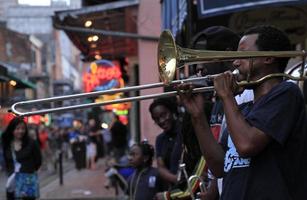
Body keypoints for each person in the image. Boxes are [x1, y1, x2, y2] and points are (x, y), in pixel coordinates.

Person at [178, 25, 307, 200]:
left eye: (242, 55)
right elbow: (219, 167)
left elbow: (247, 145)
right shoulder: (244, 110)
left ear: (268, 57)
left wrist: (226, 96)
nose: (235, 62)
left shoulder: (286, 93)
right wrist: (198, 116)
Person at [2, 117, 42, 200]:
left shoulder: (31, 143)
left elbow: (38, 161)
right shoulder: (7, 145)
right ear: (12, 130)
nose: (20, 131)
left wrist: (29, 170)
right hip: (13, 182)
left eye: (23, 128)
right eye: (17, 128)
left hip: (28, 182)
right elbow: (6, 162)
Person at [149, 97, 182, 190]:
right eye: (157, 119)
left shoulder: (185, 131)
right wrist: (177, 180)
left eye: (164, 115)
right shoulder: (160, 139)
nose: (161, 121)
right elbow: (161, 167)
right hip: (174, 189)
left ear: (172, 111)